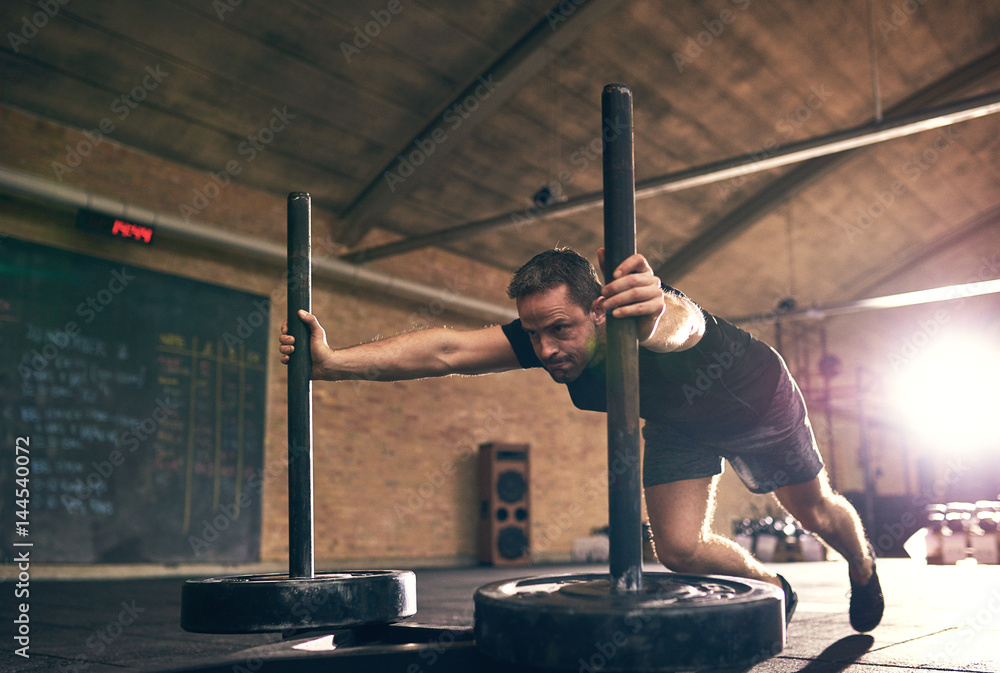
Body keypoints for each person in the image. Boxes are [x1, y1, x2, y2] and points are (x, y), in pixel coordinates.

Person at [278, 247, 884, 632]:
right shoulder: (546, 336)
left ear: (599, 309)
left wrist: (653, 315)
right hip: (680, 423)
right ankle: (776, 589)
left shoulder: (642, 314)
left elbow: (682, 323)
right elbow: (448, 348)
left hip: (756, 400)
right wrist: (334, 363)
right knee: (678, 548)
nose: (545, 350)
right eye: (534, 333)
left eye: (560, 328)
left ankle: (862, 564)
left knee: (815, 513)